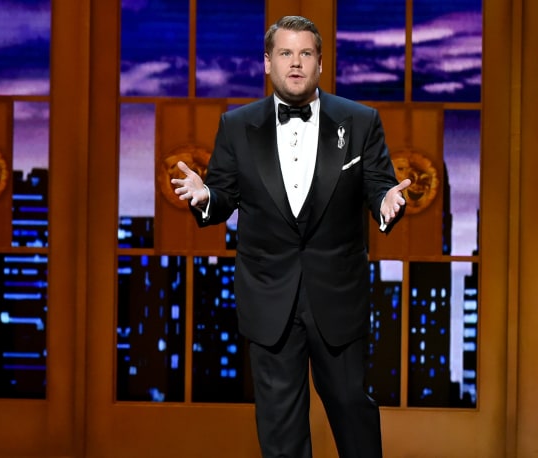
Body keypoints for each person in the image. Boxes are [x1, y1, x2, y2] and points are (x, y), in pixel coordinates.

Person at [171, 15, 410, 458]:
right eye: (285, 53)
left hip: (337, 295)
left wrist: (384, 205)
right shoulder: (237, 126)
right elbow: (224, 194)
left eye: (305, 54)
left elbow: (379, 186)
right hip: (269, 296)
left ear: (320, 63)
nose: (295, 63)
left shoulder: (360, 121)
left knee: (351, 410)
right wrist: (206, 196)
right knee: (280, 428)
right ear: (267, 63)